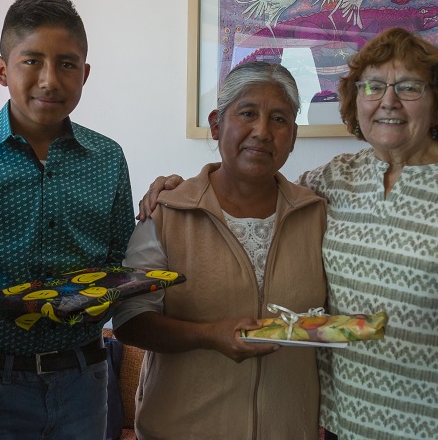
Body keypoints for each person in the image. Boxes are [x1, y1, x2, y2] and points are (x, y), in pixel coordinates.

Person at [142, 28, 438, 440]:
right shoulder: (332, 182)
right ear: (356, 101)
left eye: (408, 87)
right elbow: (255, 187)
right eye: (373, 87)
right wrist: (177, 187)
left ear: (437, 100)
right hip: (345, 426)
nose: (388, 101)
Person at [112, 61, 327, 440]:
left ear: (293, 137)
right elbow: (130, 322)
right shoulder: (166, 213)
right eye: (247, 113)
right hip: (182, 429)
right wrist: (209, 335)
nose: (262, 131)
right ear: (216, 124)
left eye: (279, 119)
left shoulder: (316, 215)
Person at [0, 0, 135, 440]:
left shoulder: (107, 157)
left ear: (84, 73)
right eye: (31, 61)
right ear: (2, 70)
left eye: (66, 64)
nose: (49, 79)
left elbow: (120, 257)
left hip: (84, 377)